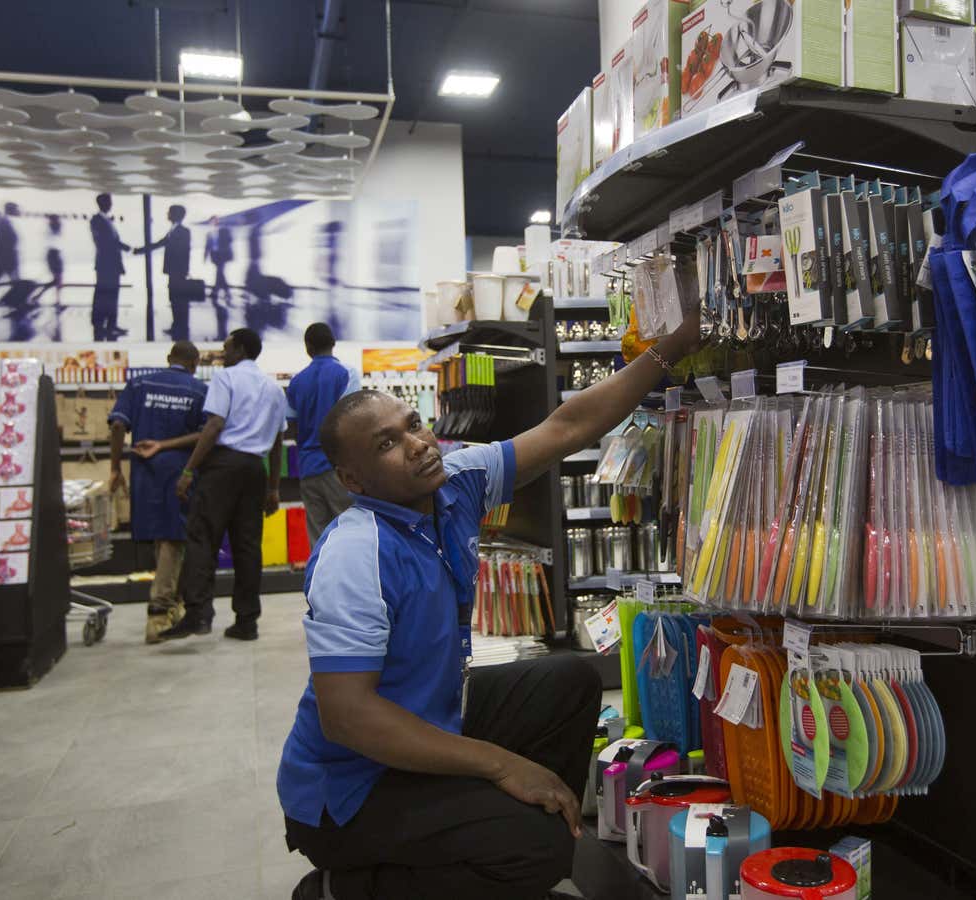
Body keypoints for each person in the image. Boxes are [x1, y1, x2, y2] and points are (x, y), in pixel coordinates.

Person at [278, 310, 700, 899]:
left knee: (570, 682)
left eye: (413, 425)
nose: (419, 445)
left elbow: (567, 427)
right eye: (388, 445)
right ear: (352, 478)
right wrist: (499, 765)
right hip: (350, 788)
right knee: (542, 846)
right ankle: (351, 888)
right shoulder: (356, 554)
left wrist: (672, 347)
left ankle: (484, 845)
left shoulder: (454, 483)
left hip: (428, 726)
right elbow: (347, 718)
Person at [160, 328, 288, 642]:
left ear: (241, 349)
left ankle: (198, 614)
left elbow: (214, 425)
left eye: (227, 347)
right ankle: (246, 621)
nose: (223, 352)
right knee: (247, 546)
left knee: (203, 537)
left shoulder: (226, 378)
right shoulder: (274, 388)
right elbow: (277, 441)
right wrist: (273, 488)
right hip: (254, 470)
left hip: (223, 467)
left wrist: (189, 470)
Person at [108, 341, 208, 643]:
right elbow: (206, 433)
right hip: (180, 473)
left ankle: (169, 602)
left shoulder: (139, 384)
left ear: (169, 359)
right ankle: (160, 614)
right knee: (173, 539)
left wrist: (115, 467)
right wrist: (168, 447)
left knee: (160, 538)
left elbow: (117, 425)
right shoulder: (198, 389)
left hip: (143, 472)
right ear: (194, 363)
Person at [285, 323, 359, 545]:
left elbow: (293, 426)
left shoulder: (296, 382)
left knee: (318, 536)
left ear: (308, 347)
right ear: (334, 343)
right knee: (349, 529)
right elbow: (353, 420)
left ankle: (320, 579)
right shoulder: (347, 374)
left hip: (308, 467)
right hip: (338, 468)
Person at [137, 204, 194, 341]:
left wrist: (183, 271)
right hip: (174, 272)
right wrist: (140, 250)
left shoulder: (182, 231)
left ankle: (181, 328)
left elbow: (182, 252)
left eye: (169, 212)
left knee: (179, 300)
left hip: (178, 273)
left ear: (175, 215)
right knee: (175, 300)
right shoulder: (173, 230)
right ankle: (177, 326)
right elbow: (160, 243)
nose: (167, 214)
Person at [90, 193, 130, 341]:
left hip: (110, 265)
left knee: (111, 296)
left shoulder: (105, 220)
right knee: (105, 296)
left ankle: (111, 325)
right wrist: (127, 248)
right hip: (106, 265)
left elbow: (111, 242)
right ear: (103, 203)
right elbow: (107, 243)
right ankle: (103, 326)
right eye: (109, 202)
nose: (111, 204)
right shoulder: (97, 220)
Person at [204, 217, 234, 337]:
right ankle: (222, 291)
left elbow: (229, 241)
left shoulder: (224, 230)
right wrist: (205, 256)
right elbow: (208, 246)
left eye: (215, 221)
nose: (213, 223)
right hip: (215, 255)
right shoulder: (209, 233)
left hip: (223, 255)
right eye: (212, 221)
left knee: (220, 272)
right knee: (220, 273)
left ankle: (218, 291)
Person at [0, 202, 19, 285]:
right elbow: (7, 238)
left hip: (4, 254)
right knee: (16, 283)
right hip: (6, 255)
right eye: (15, 209)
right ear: (11, 210)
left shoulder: (4, 220)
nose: (17, 211)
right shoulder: (3, 220)